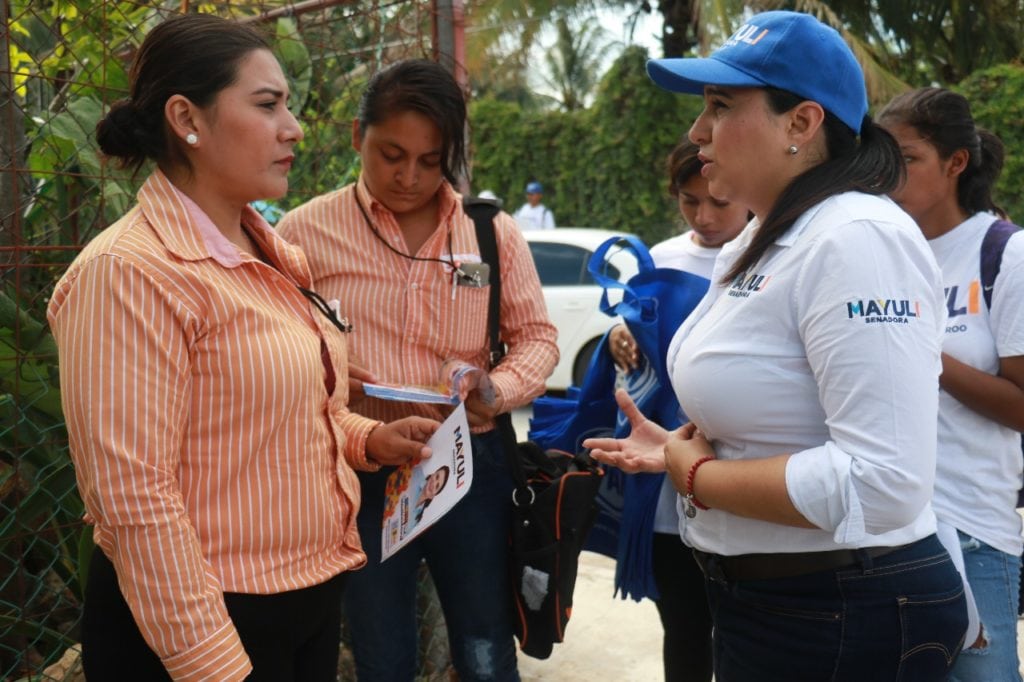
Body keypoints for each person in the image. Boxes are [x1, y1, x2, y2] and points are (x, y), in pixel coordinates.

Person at [47, 15, 439, 682]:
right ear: (186, 119)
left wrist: (366, 439)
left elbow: (271, 416)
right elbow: (134, 499)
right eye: (267, 105)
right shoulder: (130, 274)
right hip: (205, 625)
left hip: (307, 597)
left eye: (287, 105)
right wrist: (216, 665)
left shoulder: (268, 252)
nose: (294, 128)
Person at [584, 11, 969, 680]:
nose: (696, 131)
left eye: (720, 105)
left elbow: (884, 482)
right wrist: (677, 447)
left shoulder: (856, 238)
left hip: (843, 609)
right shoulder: (768, 235)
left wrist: (699, 476)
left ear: (802, 123)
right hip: (776, 603)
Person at [277, 59, 558, 681]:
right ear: (358, 136)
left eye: (431, 161)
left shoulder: (489, 234)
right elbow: (283, 350)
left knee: (485, 646)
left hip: (469, 463)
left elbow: (537, 338)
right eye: (391, 155)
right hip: (362, 466)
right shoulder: (305, 234)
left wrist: (496, 389)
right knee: (381, 652)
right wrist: (327, 374)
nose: (409, 178)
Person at [878, 87, 1024, 682]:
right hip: (883, 528)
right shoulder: (879, 251)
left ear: (955, 162)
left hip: (972, 531)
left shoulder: (1005, 254)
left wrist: (920, 352)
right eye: (882, 158)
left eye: (908, 158)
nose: (889, 174)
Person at [606, 139, 749, 682]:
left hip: (745, 480)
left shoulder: (774, 255)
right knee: (684, 630)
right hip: (667, 486)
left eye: (719, 202)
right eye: (690, 201)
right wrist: (618, 336)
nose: (704, 216)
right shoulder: (659, 260)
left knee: (743, 636)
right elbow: (632, 341)